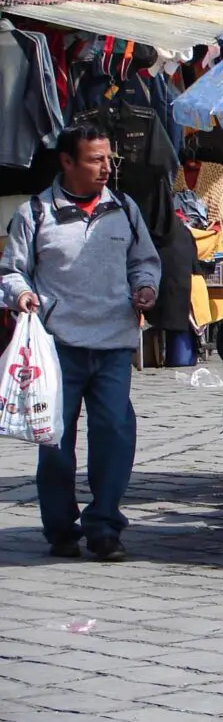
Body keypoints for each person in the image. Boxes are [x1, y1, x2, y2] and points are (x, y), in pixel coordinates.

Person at [0, 124, 162, 560]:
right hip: (58, 347)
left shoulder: (124, 209)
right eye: (95, 159)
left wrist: (146, 287)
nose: (106, 168)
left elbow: (144, 261)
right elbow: (10, 270)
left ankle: (105, 526)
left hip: (113, 342)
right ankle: (60, 528)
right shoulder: (35, 213)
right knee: (54, 443)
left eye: (109, 159)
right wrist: (22, 294)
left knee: (114, 434)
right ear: (67, 162)